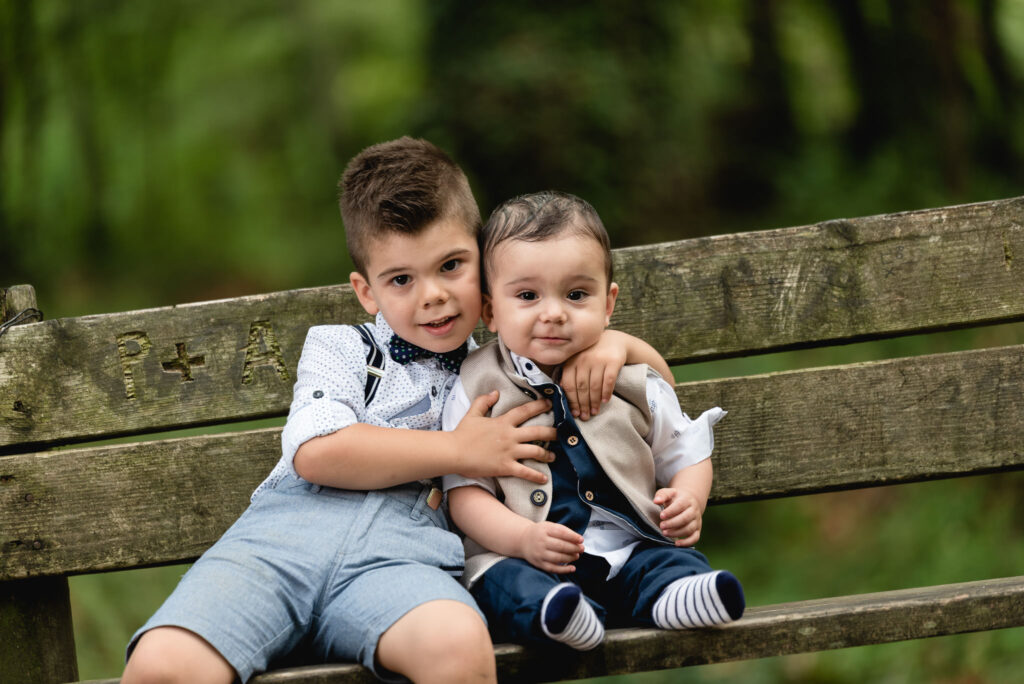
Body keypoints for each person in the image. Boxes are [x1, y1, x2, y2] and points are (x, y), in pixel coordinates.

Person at [122, 139, 671, 684]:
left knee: (457, 648)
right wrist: (458, 449)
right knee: (164, 665)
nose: (432, 296)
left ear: (485, 267)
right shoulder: (341, 348)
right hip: (281, 544)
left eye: (452, 265)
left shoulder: (509, 362)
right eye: (402, 279)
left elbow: (657, 393)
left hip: (407, 556)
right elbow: (318, 454)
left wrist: (615, 347)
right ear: (366, 290)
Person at [442, 191, 745, 652]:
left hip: (633, 547)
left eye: (577, 294)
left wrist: (688, 496)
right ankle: (560, 615)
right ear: (489, 311)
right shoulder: (476, 386)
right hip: (527, 555)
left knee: (668, 562)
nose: (554, 312)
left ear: (607, 303)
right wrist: (522, 538)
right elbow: (465, 494)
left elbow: (685, 449)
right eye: (527, 295)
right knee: (500, 581)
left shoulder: (632, 381)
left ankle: (676, 597)